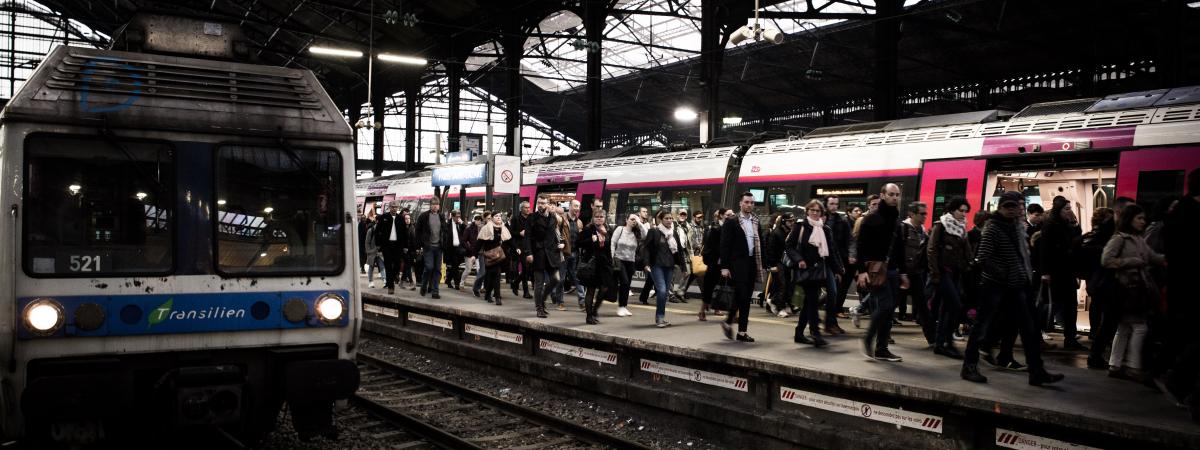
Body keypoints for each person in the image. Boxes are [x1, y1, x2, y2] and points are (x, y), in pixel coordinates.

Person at [961, 191, 1065, 386]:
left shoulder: (1018, 227)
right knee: (981, 326)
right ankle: (969, 366)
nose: (1012, 210)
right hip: (995, 285)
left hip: (1017, 286)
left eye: (1015, 206)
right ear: (1000, 208)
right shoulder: (992, 228)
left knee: (1029, 329)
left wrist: (1024, 276)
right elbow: (983, 258)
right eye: (1007, 206)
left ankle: (1036, 371)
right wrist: (1005, 274)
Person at [1102, 204, 1165, 382]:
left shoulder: (1138, 239)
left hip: (1133, 289)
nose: (1143, 222)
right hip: (1127, 289)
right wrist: (1131, 261)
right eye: (1139, 218)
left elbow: (1152, 256)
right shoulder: (1119, 238)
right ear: (1130, 219)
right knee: (1139, 327)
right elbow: (1106, 260)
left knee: (1123, 328)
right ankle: (1133, 366)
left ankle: (1115, 365)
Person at [1159, 169, 1200, 416]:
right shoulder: (1187, 215)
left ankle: (1178, 379)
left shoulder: (1177, 213)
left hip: (1183, 288)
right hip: (1190, 289)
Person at [858, 184, 904, 362]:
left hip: (892, 270)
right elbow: (861, 246)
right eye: (891, 194)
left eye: (897, 195)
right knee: (885, 306)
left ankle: (882, 348)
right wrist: (861, 271)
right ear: (882, 195)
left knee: (889, 309)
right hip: (876, 270)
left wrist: (903, 272)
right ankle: (868, 338)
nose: (894, 197)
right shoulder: (871, 219)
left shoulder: (895, 219)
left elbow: (898, 246)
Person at [788, 200, 842, 347]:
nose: (815, 213)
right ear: (807, 211)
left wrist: (837, 270)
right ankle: (815, 333)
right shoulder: (800, 227)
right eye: (812, 210)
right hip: (805, 270)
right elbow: (789, 246)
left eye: (818, 211)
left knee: (808, 303)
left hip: (819, 271)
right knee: (812, 300)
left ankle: (799, 333)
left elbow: (830, 252)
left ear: (821, 213)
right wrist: (799, 259)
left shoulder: (825, 230)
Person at [1038, 196, 1085, 350]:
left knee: (1071, 305)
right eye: (1066, 209)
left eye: (1070, 208)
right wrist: (1045, 272)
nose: (1069, 211)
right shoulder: (1050, 225)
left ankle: (1070, 338)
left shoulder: (1067, 224)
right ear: (1058, 210)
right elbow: (1045, 250)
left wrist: (1074, 222)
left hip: (1068, 271)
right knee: (1053, 304)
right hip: (1055, 272)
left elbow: (1077, 240)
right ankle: (1038, 332)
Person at [929, 197, 972, 359]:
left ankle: (942, 344)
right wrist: (934, 273)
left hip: (956, 273)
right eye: (961, 210)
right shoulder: (941, 225)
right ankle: (947, 341)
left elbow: (966, 251)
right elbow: (931, 249)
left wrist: (971, 264)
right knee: (955, 305)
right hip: (942, 272)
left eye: (965, 211)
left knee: (947, 308)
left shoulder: (962, 227)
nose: (963, 214)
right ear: (952, 210)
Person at [720, 192, 764, 342]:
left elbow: (760, 243)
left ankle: (738, 329)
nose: (749, 205)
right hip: (737, 264)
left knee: (744, 297)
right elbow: (725, 245)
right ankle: (736, 327)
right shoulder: (732, 221)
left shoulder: (756, 221)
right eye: (746, 202)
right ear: (740, 203)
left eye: (752, 202)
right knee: (743, 296)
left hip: (752, 263)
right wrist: (724, 267)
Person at [1078, 208, 1117, 369]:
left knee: (1096, 305)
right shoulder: (1105, 239)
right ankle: (1097, 340)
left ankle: (1095, 332)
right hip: (1099, 278)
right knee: (1105, 312)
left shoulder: (1090, 237)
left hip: (1093, 277)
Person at [898, 201, 932, 344]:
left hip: (916, 273)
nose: (925, 216)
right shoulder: (903, 228)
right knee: (890, 305)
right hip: (902, 273)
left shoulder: (922, 231)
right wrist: (901, 272)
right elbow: (897, 251)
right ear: (912, 214)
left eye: (926, 213)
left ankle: (932, 338)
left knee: (923, 305)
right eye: (922, 214)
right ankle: (883, 335)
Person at [641, 210, 683, 328]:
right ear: (660, 220)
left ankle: (661, 317)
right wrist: (646, 263)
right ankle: (659, 318)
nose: (669, 220)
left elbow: (679, 250)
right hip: (656, 265)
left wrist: (683, 267)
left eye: (671, 218)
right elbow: (646, 248)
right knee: (662, 290)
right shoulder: (654, 232)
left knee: (665, 294)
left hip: (669, 266)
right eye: (667, 218)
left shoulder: (674, 233)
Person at [525, 195, 563, 318]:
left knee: (556, 279)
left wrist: (559, 245)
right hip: (538, 253)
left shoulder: (553, 217)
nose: (540, 205)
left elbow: (555, 234)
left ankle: (542, 300)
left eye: (543, 203)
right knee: (539, 283)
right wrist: (529, 253)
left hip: (551, 254)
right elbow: (527, 237)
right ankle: (539, 308)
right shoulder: (532, 218)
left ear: (547, 204)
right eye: (539, 203)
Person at [577, 208, 614, 324]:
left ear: (604, 218)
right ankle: (589, 316)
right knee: (591, 290)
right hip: (592, 264)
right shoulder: (589, 229)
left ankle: (594, 310)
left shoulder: (608, 230)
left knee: (604, 288)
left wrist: (611, 261)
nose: (599, 219)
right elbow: (578, 243)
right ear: (593, 218)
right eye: (597, 217)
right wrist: (590, 240)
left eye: (601, 217)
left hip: (604, 264)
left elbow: (609, 247)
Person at [825, 196, 852, 335]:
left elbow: (848, 241)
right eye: (831, 204)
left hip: (835, 261)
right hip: (821, 262)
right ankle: (813, 324)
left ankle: (830, 323)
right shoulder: (822, 219)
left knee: (833, 293)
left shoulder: (842, 221)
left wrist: (846, 259)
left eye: (836, 204)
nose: (834, 206)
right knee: (827, 293)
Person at [699, 209, 730, 321]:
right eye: (728, 215)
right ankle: (702, 310)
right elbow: (709, 246)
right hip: (714, 262)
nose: (730, 216)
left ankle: (717, 308)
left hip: (725, 262)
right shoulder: (715, 228)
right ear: (721, 216)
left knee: (722, 286)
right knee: (709, 286)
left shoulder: (730, 228)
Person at [611, 214, 643, 317]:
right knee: (624, 281)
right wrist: (611, 257)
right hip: (619, 259)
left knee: (627, 284)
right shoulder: (620, 229)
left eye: (635, 219)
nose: (634, 221)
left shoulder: (636, 232)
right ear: (627, 220)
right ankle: (620, 307)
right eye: (632, 219)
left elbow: (646, 235)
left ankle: (624, 306)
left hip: (631, 261)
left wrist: (640, 223)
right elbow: (613, 243)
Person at [415, 197, 447, 299]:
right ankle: (424, 286)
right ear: (430, 205)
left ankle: (435, 291)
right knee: (429, 267)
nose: (435, 206)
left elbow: (445, 230)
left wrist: (444, 242)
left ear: (439, 206)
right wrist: (419, 245)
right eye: (433, 204)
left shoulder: (441, 216)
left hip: (439, 247)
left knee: (437, 269)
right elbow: (417, 231)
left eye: (437, 204)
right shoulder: (424, 216)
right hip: (428, 247)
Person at [476, 213, 511, 305]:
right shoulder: (486, 228)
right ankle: (488, 294)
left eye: (499, 216)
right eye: (496, 216)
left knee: (497, 275)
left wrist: (517, 249)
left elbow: (509, 241)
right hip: (489, 256)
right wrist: (473, 255)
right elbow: (479, 243)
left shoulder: (503, 228)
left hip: (499, 256)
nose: (498, 217)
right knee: (491, 276)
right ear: (491, 218)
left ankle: (497, 297)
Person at [763, 212, 793, 318]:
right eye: (789, 221)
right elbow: (770, 250)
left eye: (792, 221)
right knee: (781, 285)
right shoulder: (776, 233)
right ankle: (779, 307)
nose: (791, 223)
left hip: (786, 263)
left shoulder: (789, 232)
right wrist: (771, 265)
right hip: (777, 262)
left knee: (786, 285)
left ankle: (775, 301)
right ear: (784, 221)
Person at [375, 202, 407, 295]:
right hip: (387, 246)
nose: (394, 209)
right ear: (389, 208)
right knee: (388, 266)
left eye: (395, 207)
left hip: (398, 245)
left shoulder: (401, 219)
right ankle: (390, 287)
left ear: (397, 208)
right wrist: (378, 245)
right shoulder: (383, 217)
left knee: (397, 264)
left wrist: (405, 246)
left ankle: (394, 276)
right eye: (392, 207)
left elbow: (405, 233)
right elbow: (377, 232)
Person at [561, 201, 585, 310]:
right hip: (564, 253)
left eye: (579, 207)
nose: (577, 208)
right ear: (570, 206)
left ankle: (582, 301)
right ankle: (559, 302)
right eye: (575, 206)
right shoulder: (561, 219)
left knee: (577, 277)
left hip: (575, 253)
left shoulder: (579, 222)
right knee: (561, 278)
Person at [509, 201, 534, 299]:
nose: (528, 209)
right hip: (519, 246)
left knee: (528, 269)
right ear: (521, 209)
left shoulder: (532, 218)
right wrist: (520, 233)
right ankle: (526, 292)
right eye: (526, 208)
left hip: (529, 246)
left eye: (529, 207)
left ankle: (515, 283)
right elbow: (510, 232)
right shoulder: (515, 218)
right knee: (525, 267)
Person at [670, 209, 694, 304]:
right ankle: (671, 294)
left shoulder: (688, 226)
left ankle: (680, 292)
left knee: (687, 272)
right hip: (674, 251)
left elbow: (689, 242)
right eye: (681, 214)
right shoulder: (673, 224)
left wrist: (691, 254)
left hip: (684, 251)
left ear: (686, 216)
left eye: (684, 214)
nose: (682, 216)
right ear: (677, 215)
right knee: (672, 273)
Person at [443, 210, 466, 292]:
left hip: (459, 249)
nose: (458, 218)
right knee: (455, 266)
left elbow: (466, 229)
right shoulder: (447, 224)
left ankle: (448, 280)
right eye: (456, 216)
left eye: (459, 216)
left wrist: (462, 223)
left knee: (455, 266)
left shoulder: (460, 224)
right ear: (452, 216)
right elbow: (445, 237)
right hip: (451, 249)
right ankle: (457, 283)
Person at [364, 209, 385, 289]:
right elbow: (367, 242)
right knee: (371, 267)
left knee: (382, 266)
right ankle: (370, 282)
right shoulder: (371, 230)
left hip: (379, 252)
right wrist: (369, 251)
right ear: (376, 221)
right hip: (372, 252)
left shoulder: (383, 230)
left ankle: (384, 281)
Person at [462, 214, 482, 292]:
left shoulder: (482, 228)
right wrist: (469, 248)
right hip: (470, 252)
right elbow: (463, 240)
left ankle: (480, 286)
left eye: (480, 220)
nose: (479, 221)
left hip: (478, 253)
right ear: (475, 220)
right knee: (468, 270)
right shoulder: (469, 229)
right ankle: (461, 283)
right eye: (477, 220)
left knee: (479, 270)